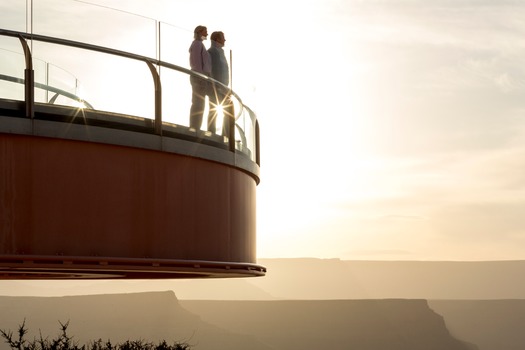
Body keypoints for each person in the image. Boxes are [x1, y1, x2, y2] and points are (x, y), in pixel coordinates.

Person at [207, 31, 234, 137]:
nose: (225, 40)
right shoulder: (211, 52)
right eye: (223, 38)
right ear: (217, 39)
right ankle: (211, 132)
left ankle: (226, 134)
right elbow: (210, 69)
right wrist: (214, 84)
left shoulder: (221, 52)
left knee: (228, 110)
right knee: (213, 110)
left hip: (224, 87)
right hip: (215, 86)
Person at [188, 25, 211, 130]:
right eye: (205, 32)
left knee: (199, 103)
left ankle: (196, 126)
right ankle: (195, 127)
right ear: (199, 32)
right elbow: (197, 63)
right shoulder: (197, 44)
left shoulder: (199, 44)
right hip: (198, 78)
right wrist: (201, 77)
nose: (207, 34)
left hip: (200, 77)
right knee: (198, 103)